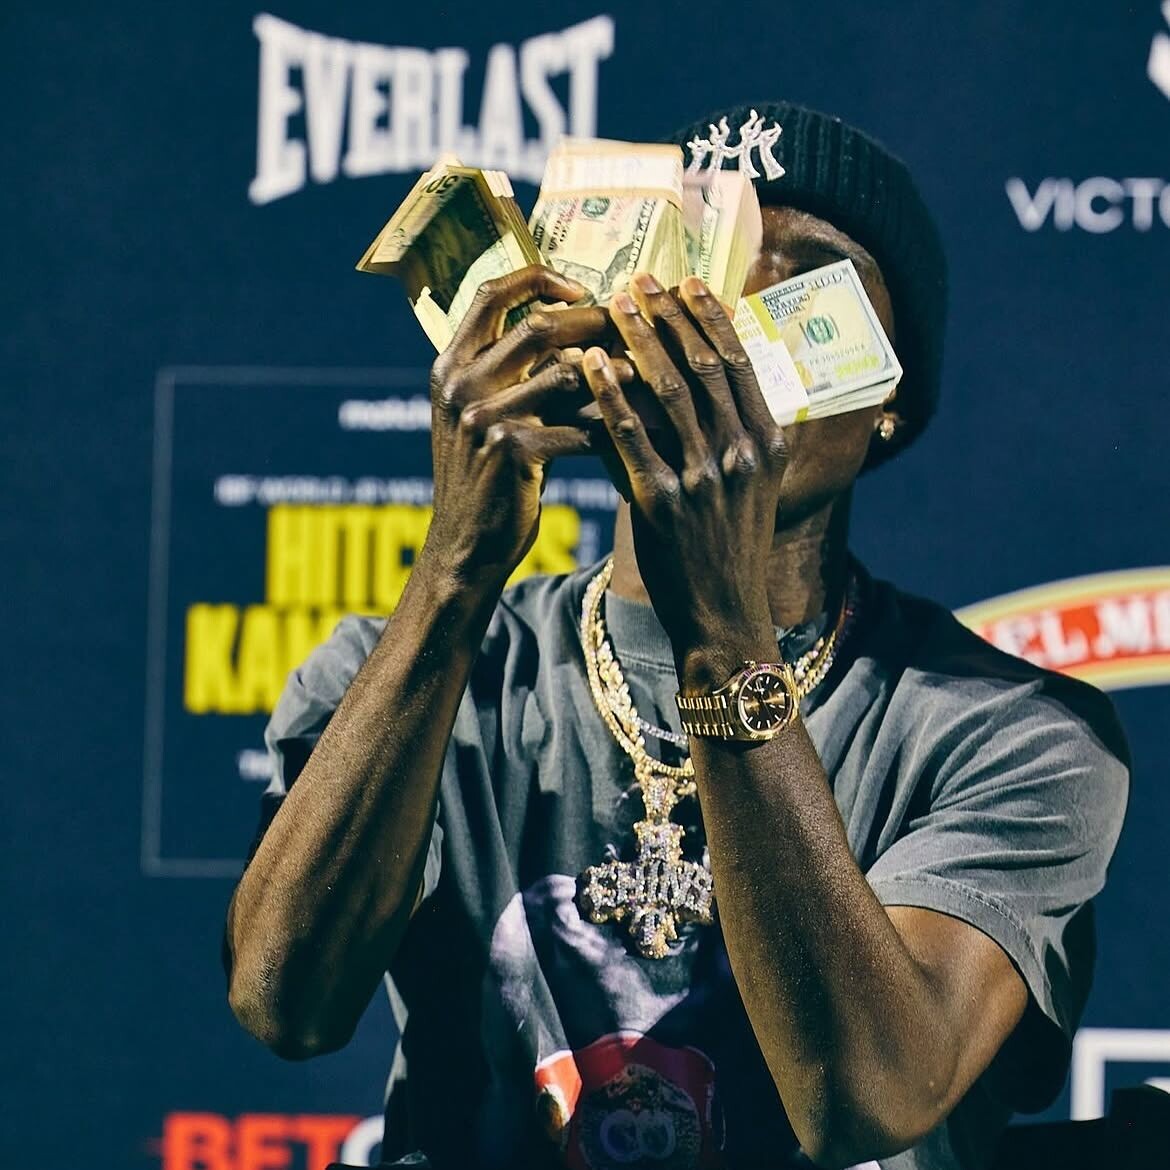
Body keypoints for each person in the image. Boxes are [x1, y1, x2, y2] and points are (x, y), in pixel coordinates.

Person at [222, 102, 1130, 1170]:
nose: (727, 327)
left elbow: (864, 1101)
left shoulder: (1015, 737)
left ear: (888, 395)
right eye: (698, 265)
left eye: (804, 285)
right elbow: (286, 1004)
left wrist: (720, 625)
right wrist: (456, 571)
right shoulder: (405, 667)